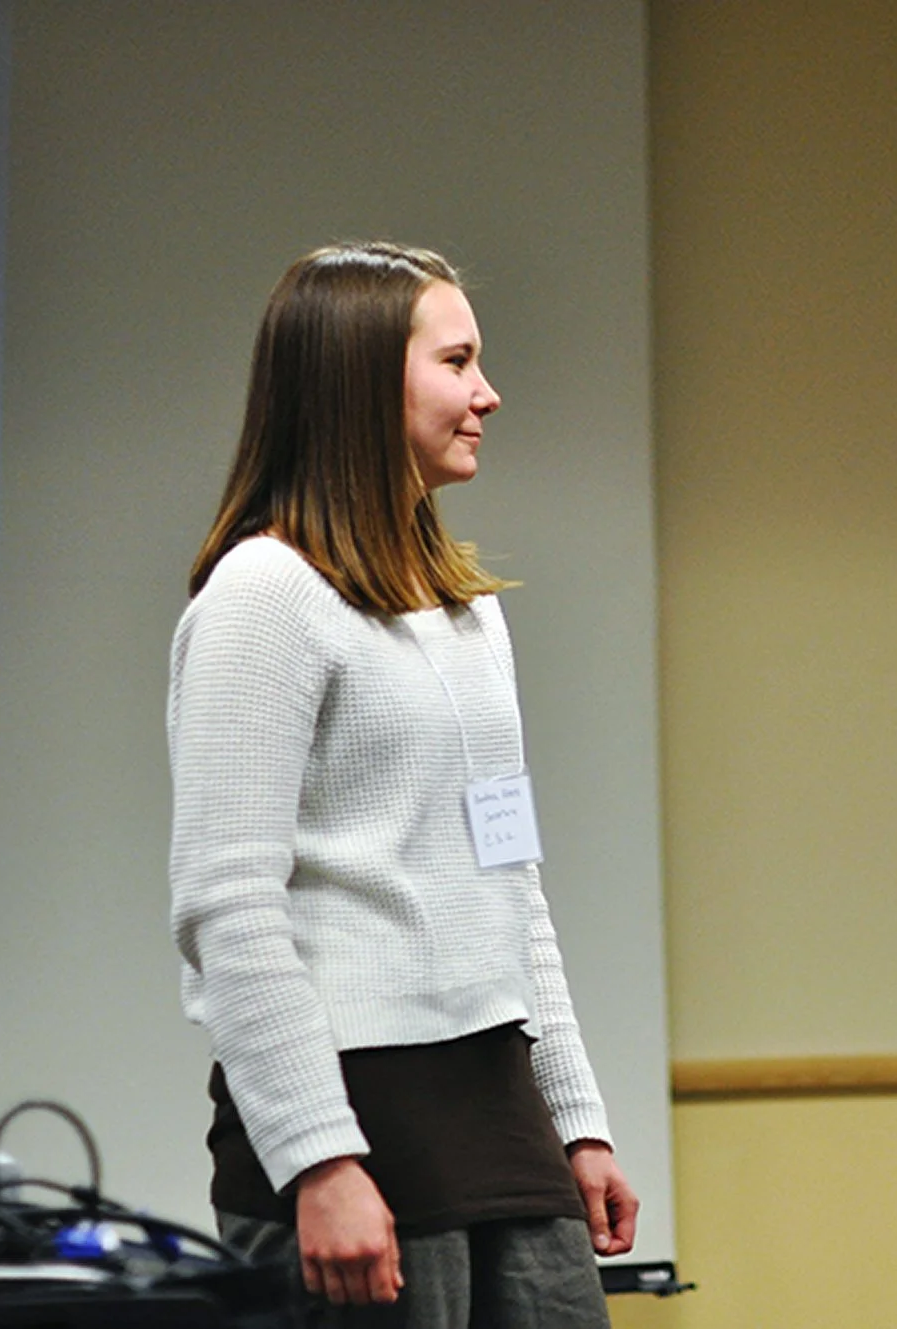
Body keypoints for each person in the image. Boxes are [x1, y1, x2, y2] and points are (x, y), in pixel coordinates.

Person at [168, 240, 635, 1328]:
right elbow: (228, 905)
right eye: (457, 362)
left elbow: (510, 880)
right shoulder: (265, 592)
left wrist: (576, 1118)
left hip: (499, 1120)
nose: (488, 393)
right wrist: (318, 1158)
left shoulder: (466, 611)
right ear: (363, 382)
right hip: (354, 1121)